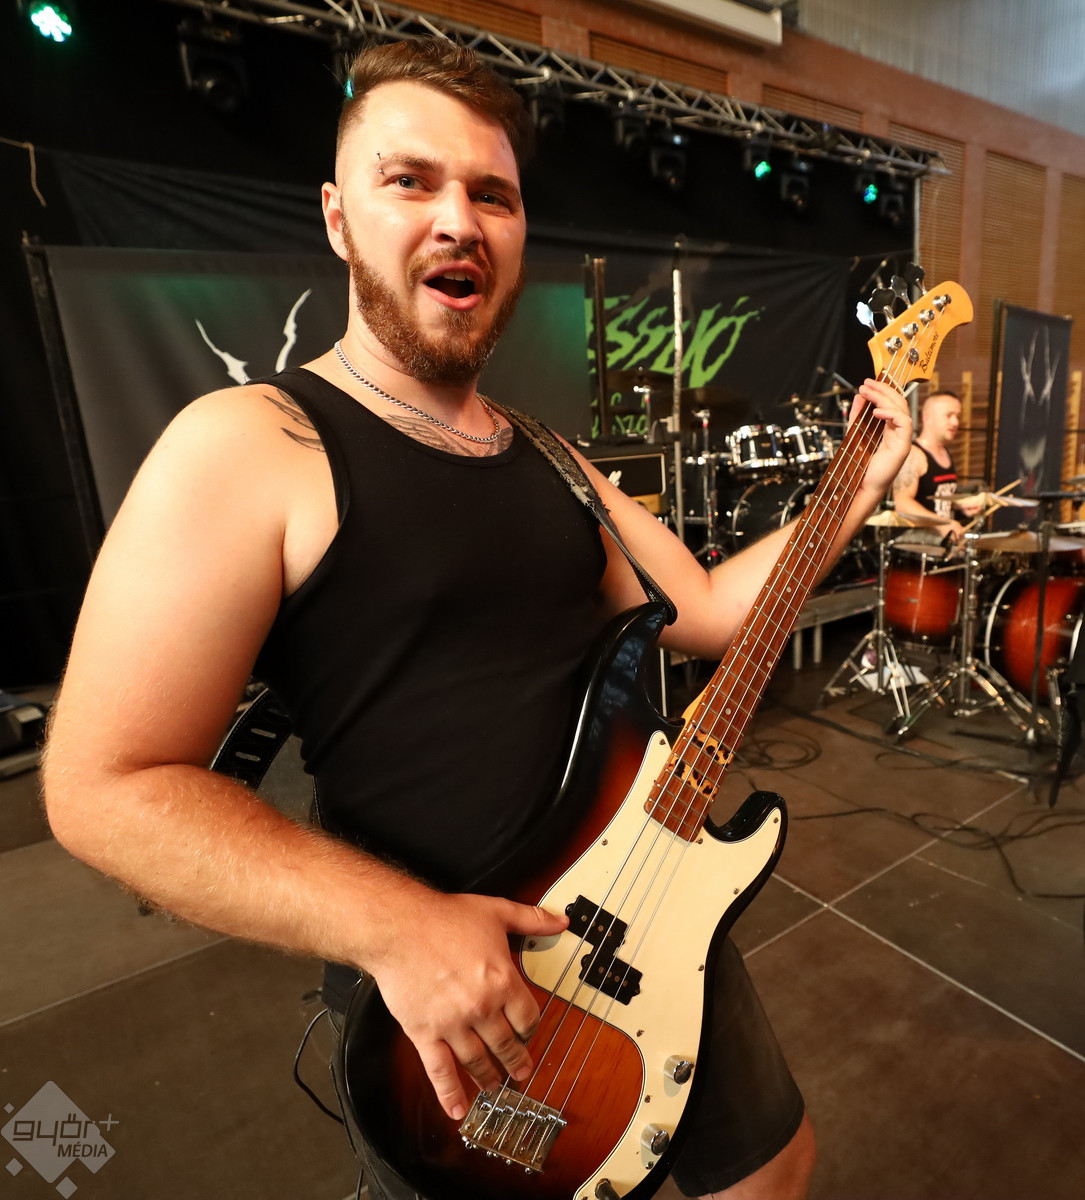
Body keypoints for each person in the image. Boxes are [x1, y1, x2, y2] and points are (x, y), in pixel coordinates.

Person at [42, 39, 912, 1200]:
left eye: (491, 194)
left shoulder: (549, 456)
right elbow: (102, 785)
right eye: (410, 181)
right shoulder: (249, 443)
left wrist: (856, 486)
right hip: (445, 996)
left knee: (769, 1172)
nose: (458, 220)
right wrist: (397, 927)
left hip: (645, 917)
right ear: (338, 217)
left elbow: (706, 611)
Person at [891, 390, 979, 541]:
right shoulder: (914, 455)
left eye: (957, 416)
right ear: (927, 418)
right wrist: (942, 523)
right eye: (948, 415)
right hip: (914, 543)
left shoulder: (945, 452)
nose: (955, 422)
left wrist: (958, 504)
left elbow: (932, 498)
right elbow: (902, 503)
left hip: (938, 541)